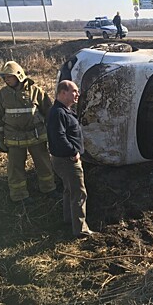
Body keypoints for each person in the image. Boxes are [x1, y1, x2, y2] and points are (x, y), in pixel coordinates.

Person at [0, 61, 56, 203]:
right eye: (5, 77)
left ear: (19, 76)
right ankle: (19, 196)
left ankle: (49, 189)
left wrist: (53, 133)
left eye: (9, 76)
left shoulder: (36, 91)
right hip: (14, 138)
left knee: (44, 164)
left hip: (36, 136)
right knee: (15, 168)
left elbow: (49, 112)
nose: (6, 80)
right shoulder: (1, 95)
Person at [47, 80, 94, 238]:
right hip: (67, 160)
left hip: (64, 158)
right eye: (74, 91)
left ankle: (69, 220)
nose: (77, 94)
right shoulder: (58, 113)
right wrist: (73, 151)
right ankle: (81, 229)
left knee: (69, 190)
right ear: (63, 93)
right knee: (79, 193)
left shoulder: (64, 111)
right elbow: (59, 136)